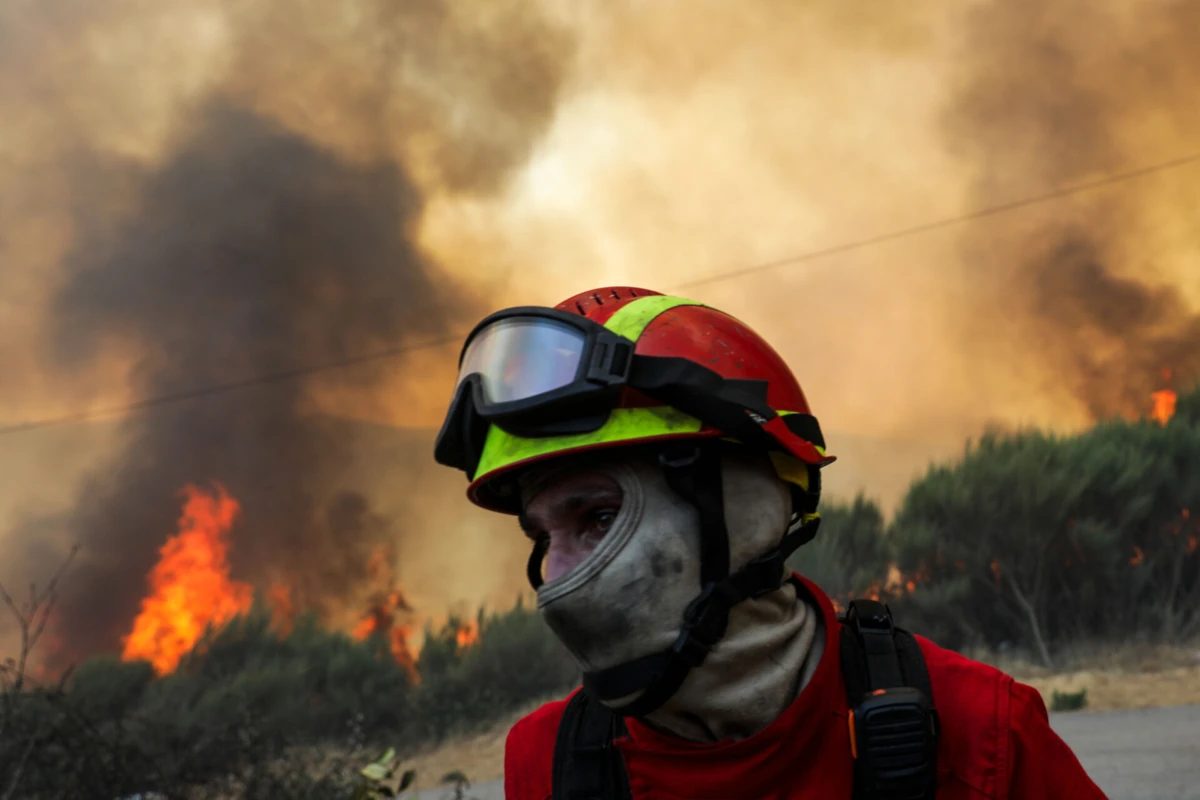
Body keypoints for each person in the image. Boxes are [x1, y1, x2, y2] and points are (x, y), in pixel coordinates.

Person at [434, 286, 1107, 799]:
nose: (555, 577)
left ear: (743, 507)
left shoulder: (978, 731)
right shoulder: (547, 764)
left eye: (600, 518)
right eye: (541, 536)